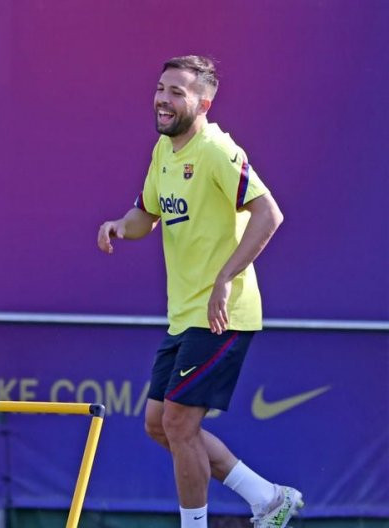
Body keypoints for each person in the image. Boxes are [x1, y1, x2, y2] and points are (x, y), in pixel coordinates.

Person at [96, 56, 301, 528]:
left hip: (222, 313)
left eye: (177, 93)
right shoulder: (163, 151)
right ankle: (268, 497)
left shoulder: (216, 150)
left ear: (204, 103)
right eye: (161, 88)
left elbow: (270, 215)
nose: (163, 100)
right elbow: (145, 216)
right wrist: (118, 228)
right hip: (185, 313)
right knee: (158, 424)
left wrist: (225, 279)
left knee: (179, 424)